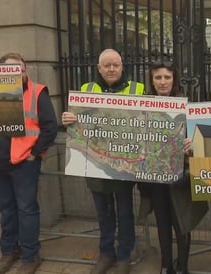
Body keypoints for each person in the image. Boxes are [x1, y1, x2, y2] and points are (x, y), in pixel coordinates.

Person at [61, 48, 145, 274]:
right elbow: (76, 122)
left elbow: (146, 123)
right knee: (103, 212)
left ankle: (125, 254)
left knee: (125, 212)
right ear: (98, 68)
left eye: (115, 65)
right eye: (106, 65)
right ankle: (106, 253)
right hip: (95, 162)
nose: (111, 69)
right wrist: (68, 118)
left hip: (123, 165)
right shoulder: (86, 90)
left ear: (122, 67)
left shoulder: (138, 89)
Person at [0, 52, 58, 274]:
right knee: (7, 211)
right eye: (11, 69)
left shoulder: (38, 92)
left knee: (27, 210)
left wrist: (35, 154)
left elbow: (50, 127)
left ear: (25, 70)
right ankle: (9, 251)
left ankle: (31, 256)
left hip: (23, 164)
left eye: (20, 69)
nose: (17, 74)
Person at [137, 62, 208, 274]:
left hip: (181, 177)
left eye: (167, 77)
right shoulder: (144, 108)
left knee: (182, 223)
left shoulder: (188, 107)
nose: (162, 82)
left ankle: (183, 266)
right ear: (152, 80)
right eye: (158, 77)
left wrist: (192, 144)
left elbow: (202, 137)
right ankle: (166, 265)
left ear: (174, 79)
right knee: (163, 223)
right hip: (157, 178)